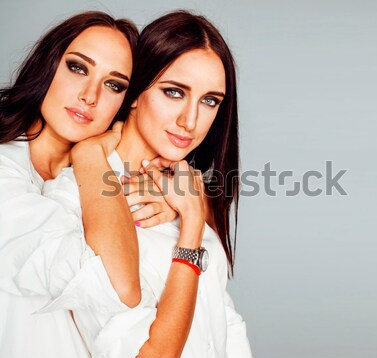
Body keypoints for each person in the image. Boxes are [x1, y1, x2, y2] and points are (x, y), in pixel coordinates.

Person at [43, 10, 253, 358]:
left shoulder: (187, 187)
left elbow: (224, 320)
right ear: (136, 92)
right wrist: (191, 227)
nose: (190, 120)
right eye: (174, 92)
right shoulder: (74, 200)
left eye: (210, 101)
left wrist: (190, 208)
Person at [0, 11, 139, 358]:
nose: (90, 95)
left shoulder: (120, 179)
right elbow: (117, 286)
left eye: (114, 84)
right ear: (48, 65)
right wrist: (90, 154)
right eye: (78, 67)